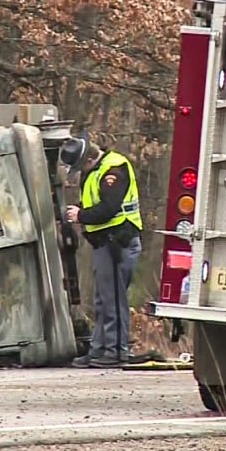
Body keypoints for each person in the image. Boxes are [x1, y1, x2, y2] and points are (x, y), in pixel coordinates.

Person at [60, 135, 143, 368]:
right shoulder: (96, 170)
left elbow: (108, 208)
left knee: (114, 299)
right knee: (102, 299)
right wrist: (80, 209)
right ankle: (98, 349)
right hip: (104, 243)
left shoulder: (113, 170)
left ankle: (116, 351)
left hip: (118, 242)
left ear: (87, 159)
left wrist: (81, 215)